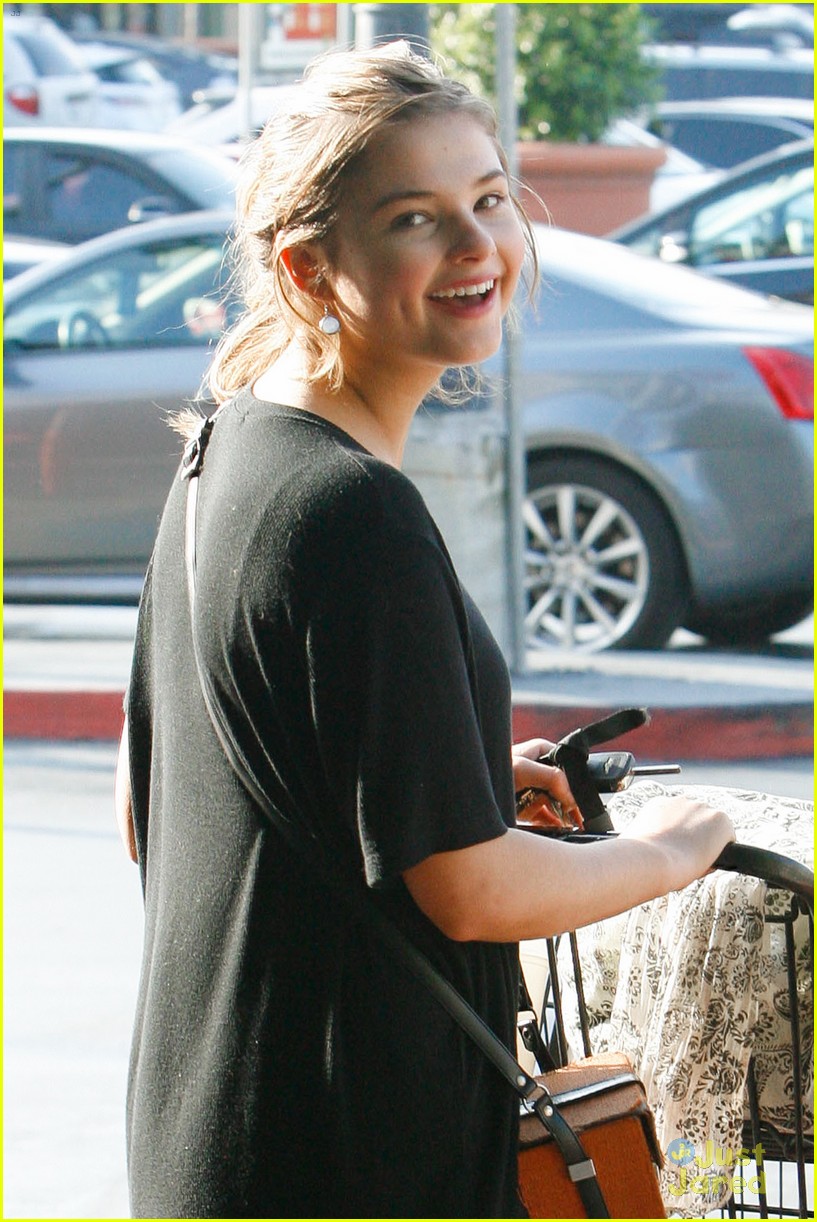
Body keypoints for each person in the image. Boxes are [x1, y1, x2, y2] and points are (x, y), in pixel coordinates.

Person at [115, 42, 735, 1219]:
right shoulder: (352, 509)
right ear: (308, 267)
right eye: (414, 218)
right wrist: (674, 851)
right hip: (346, 1157)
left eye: (489, 199)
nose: (475, 245)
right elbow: (469, 888)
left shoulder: (227, 450)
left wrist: (443, 767)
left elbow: (155, 797)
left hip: (212, 1134)